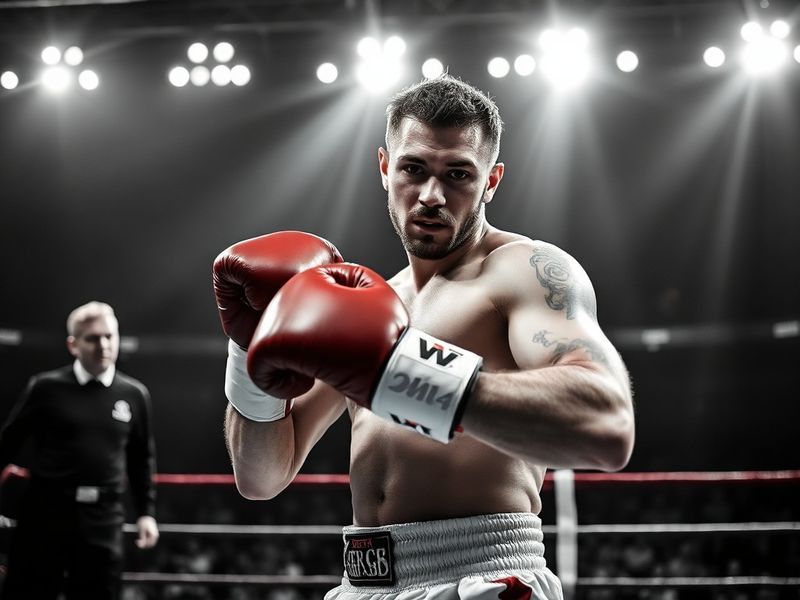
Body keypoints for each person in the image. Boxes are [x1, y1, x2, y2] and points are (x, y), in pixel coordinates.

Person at [213, 74, 635, 600]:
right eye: (414, 169)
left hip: (480, 578)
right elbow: (261, 477)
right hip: (361, 584)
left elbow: (607, 422)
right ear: (385, 167)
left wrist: (400, 375)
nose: (432, 195)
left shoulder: (522, 271)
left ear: (491, 181)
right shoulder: (368, 305)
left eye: (458, 174)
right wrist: (247, 345)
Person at [0, 301, 159, 600]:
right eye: (93, 338)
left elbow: (141, 459)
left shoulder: (134, 394)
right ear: (73, 345)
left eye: (109, 336)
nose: (104, 345)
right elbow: (7, 444)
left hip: (102, 518)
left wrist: (146, 514)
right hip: (45, 512)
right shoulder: (45, 387)